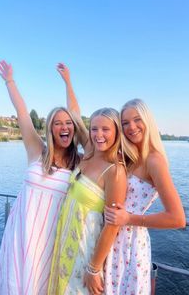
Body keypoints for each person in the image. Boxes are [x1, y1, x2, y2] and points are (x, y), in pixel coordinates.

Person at [0, 61, 87, 295]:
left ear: (74, 129)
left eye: (68, 124)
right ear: (50, 129)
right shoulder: (37, 151)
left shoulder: (80, 163)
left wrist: (68, 82)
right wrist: (9, 81)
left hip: (51, 237)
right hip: (22, 232)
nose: (64, 127)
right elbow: (22, 113)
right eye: (57, 123)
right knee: (15, 283)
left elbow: (75, 115)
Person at [104, 98, 186, 295]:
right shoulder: (129, 156)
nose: (131, 127)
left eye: (137, 119)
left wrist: (129, 218)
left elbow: (177, 218)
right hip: (111, 239)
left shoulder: (154, 160)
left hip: (131, 244)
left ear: (147, 121)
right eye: (125, 123)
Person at [48, 107, 132, 295]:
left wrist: (94, 268)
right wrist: (68, 81)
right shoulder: (87, 156)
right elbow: (75, 115)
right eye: (94, 129)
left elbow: (112, 225)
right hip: (65, 237)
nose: (98, 135)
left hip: (84, 246)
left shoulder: (115, 170)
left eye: (105, 129)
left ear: (117, 132)